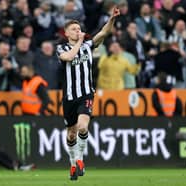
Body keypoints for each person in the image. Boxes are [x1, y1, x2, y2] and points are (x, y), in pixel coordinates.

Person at [56, 7, 120, 181]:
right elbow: (69, 57)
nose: (78, 31)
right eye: (74, 29)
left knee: (83, 127)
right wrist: (79, 42)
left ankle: (80, 159)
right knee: (71, 134)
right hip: (69, 98)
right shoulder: (61, 48)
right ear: (67, 33)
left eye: (79, 29)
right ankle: (72, 164)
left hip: (86, 95)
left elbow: (104, 33)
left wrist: (112, 19)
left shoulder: (88, 45)